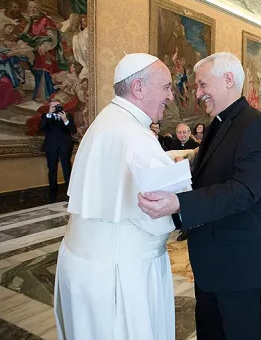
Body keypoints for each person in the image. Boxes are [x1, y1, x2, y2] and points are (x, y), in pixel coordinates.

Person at [136, 52, 261, 340]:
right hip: (213, 259)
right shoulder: (218, 122)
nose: (198, 93)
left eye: (202, 85)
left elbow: (243, 190)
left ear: (228, 80)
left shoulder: (256, 125)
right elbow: (209, 172)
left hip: (240, 262)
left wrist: (180, 203)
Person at [54, 53, 179, 339]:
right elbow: (157, 217)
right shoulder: (135, 136)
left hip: (84, 266)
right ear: (138, 87)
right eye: (166, 87)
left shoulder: (106, 121)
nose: (171, 96)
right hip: (120, 276)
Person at [40, 99, 77, 203]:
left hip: (65, 147)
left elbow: (73, 130)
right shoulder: (45, 116)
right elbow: (41, 128)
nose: (56, 108)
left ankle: (70, 194)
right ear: (49, 106)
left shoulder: (67, 116)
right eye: (53, 106)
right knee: (52, 171)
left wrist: (65, 120)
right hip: (51, 147)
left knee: (67, 170)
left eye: (58, 106)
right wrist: (49, 114)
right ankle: (52, 196)